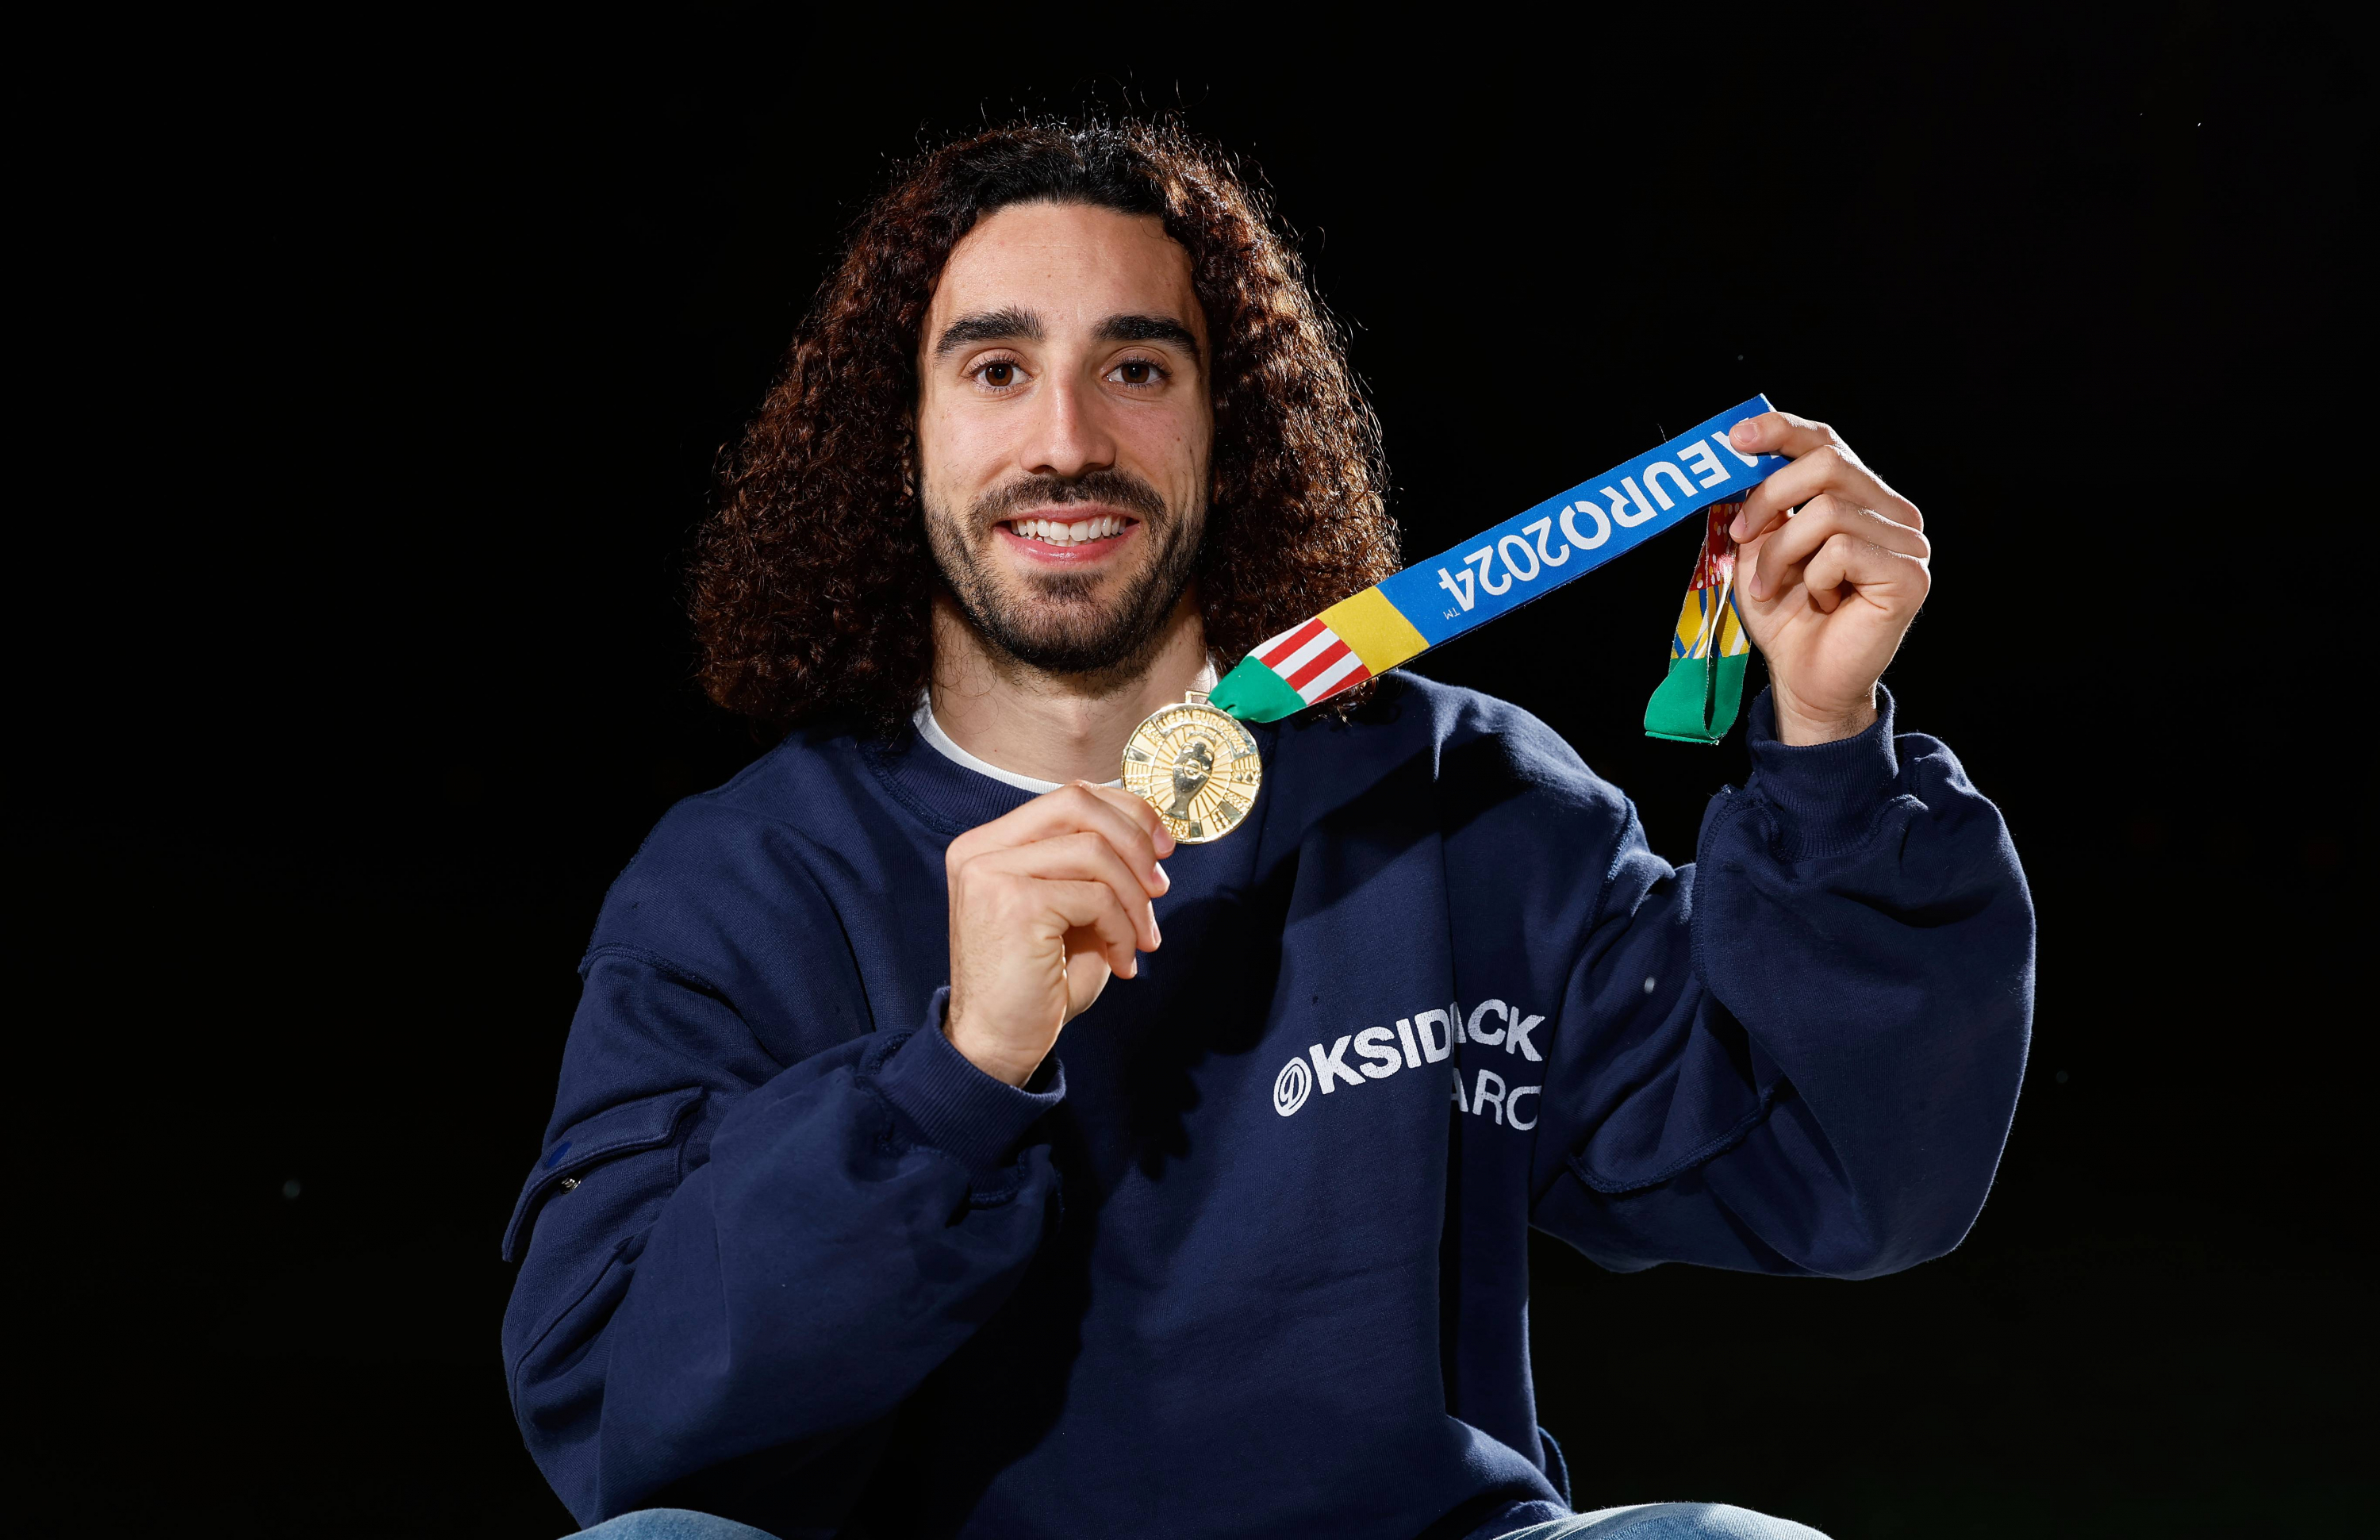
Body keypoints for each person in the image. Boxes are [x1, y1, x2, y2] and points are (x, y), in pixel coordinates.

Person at [501, 119, 2033, 1540]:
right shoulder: (740, 882)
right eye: (992, 369)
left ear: (1232, 426)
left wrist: (1828, 755)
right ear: (892, 437)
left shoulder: (1460, 800)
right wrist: (952, 1075)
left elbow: (1848, 1171)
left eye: (1139, 368)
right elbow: (618, 1420)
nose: (1066, 439)